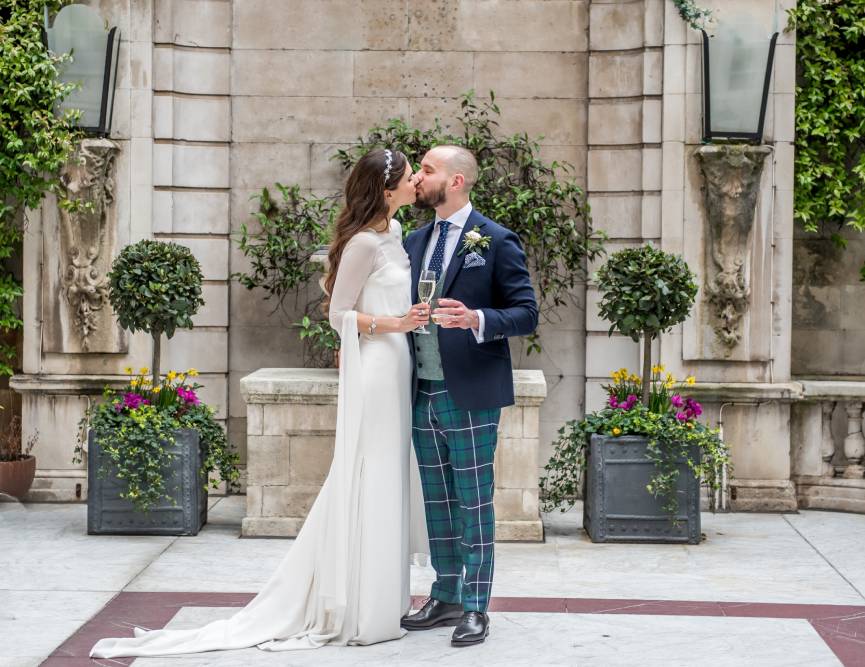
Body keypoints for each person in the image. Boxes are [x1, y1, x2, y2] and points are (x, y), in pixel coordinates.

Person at [90, 149, 431, 658]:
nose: (416, 183)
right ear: (386, 191)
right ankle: (358, 606)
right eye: (409, 178)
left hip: (399, 363)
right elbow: (340, 314)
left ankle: (383, 600)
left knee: (390, 474)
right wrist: (393, 324)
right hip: (379, 365)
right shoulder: (362, 243)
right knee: (368, 472)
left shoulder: (395, 235)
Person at [400, 145, 538, 646]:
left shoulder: (496, 240)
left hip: (472, 393)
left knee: (473, 501)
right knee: (436, 500)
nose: (419, 178)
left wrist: (477, 319)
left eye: (428, 170)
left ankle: (477, 605)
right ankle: (446, 593)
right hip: (421, 389)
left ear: (456, 181)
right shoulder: (413, 241)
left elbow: (526, 312)